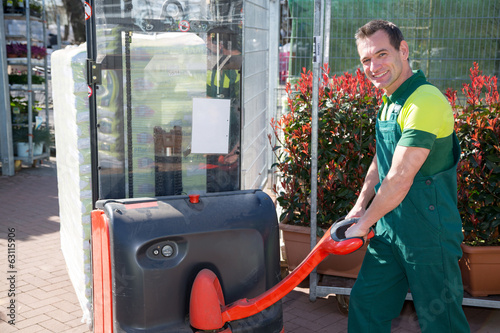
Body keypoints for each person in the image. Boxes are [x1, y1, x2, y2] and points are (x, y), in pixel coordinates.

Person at [344, 20, 470, 333]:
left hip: (429, 236)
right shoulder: (390, 102)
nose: (374, 66)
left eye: (382, 54)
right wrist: (360, 207)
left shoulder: (424, 101)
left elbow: (400, 177)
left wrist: (363, 225)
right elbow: (383, 159)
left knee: (442, 323)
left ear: (403, 50)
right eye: (366, 60)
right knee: (367, 304)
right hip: (390, 230)